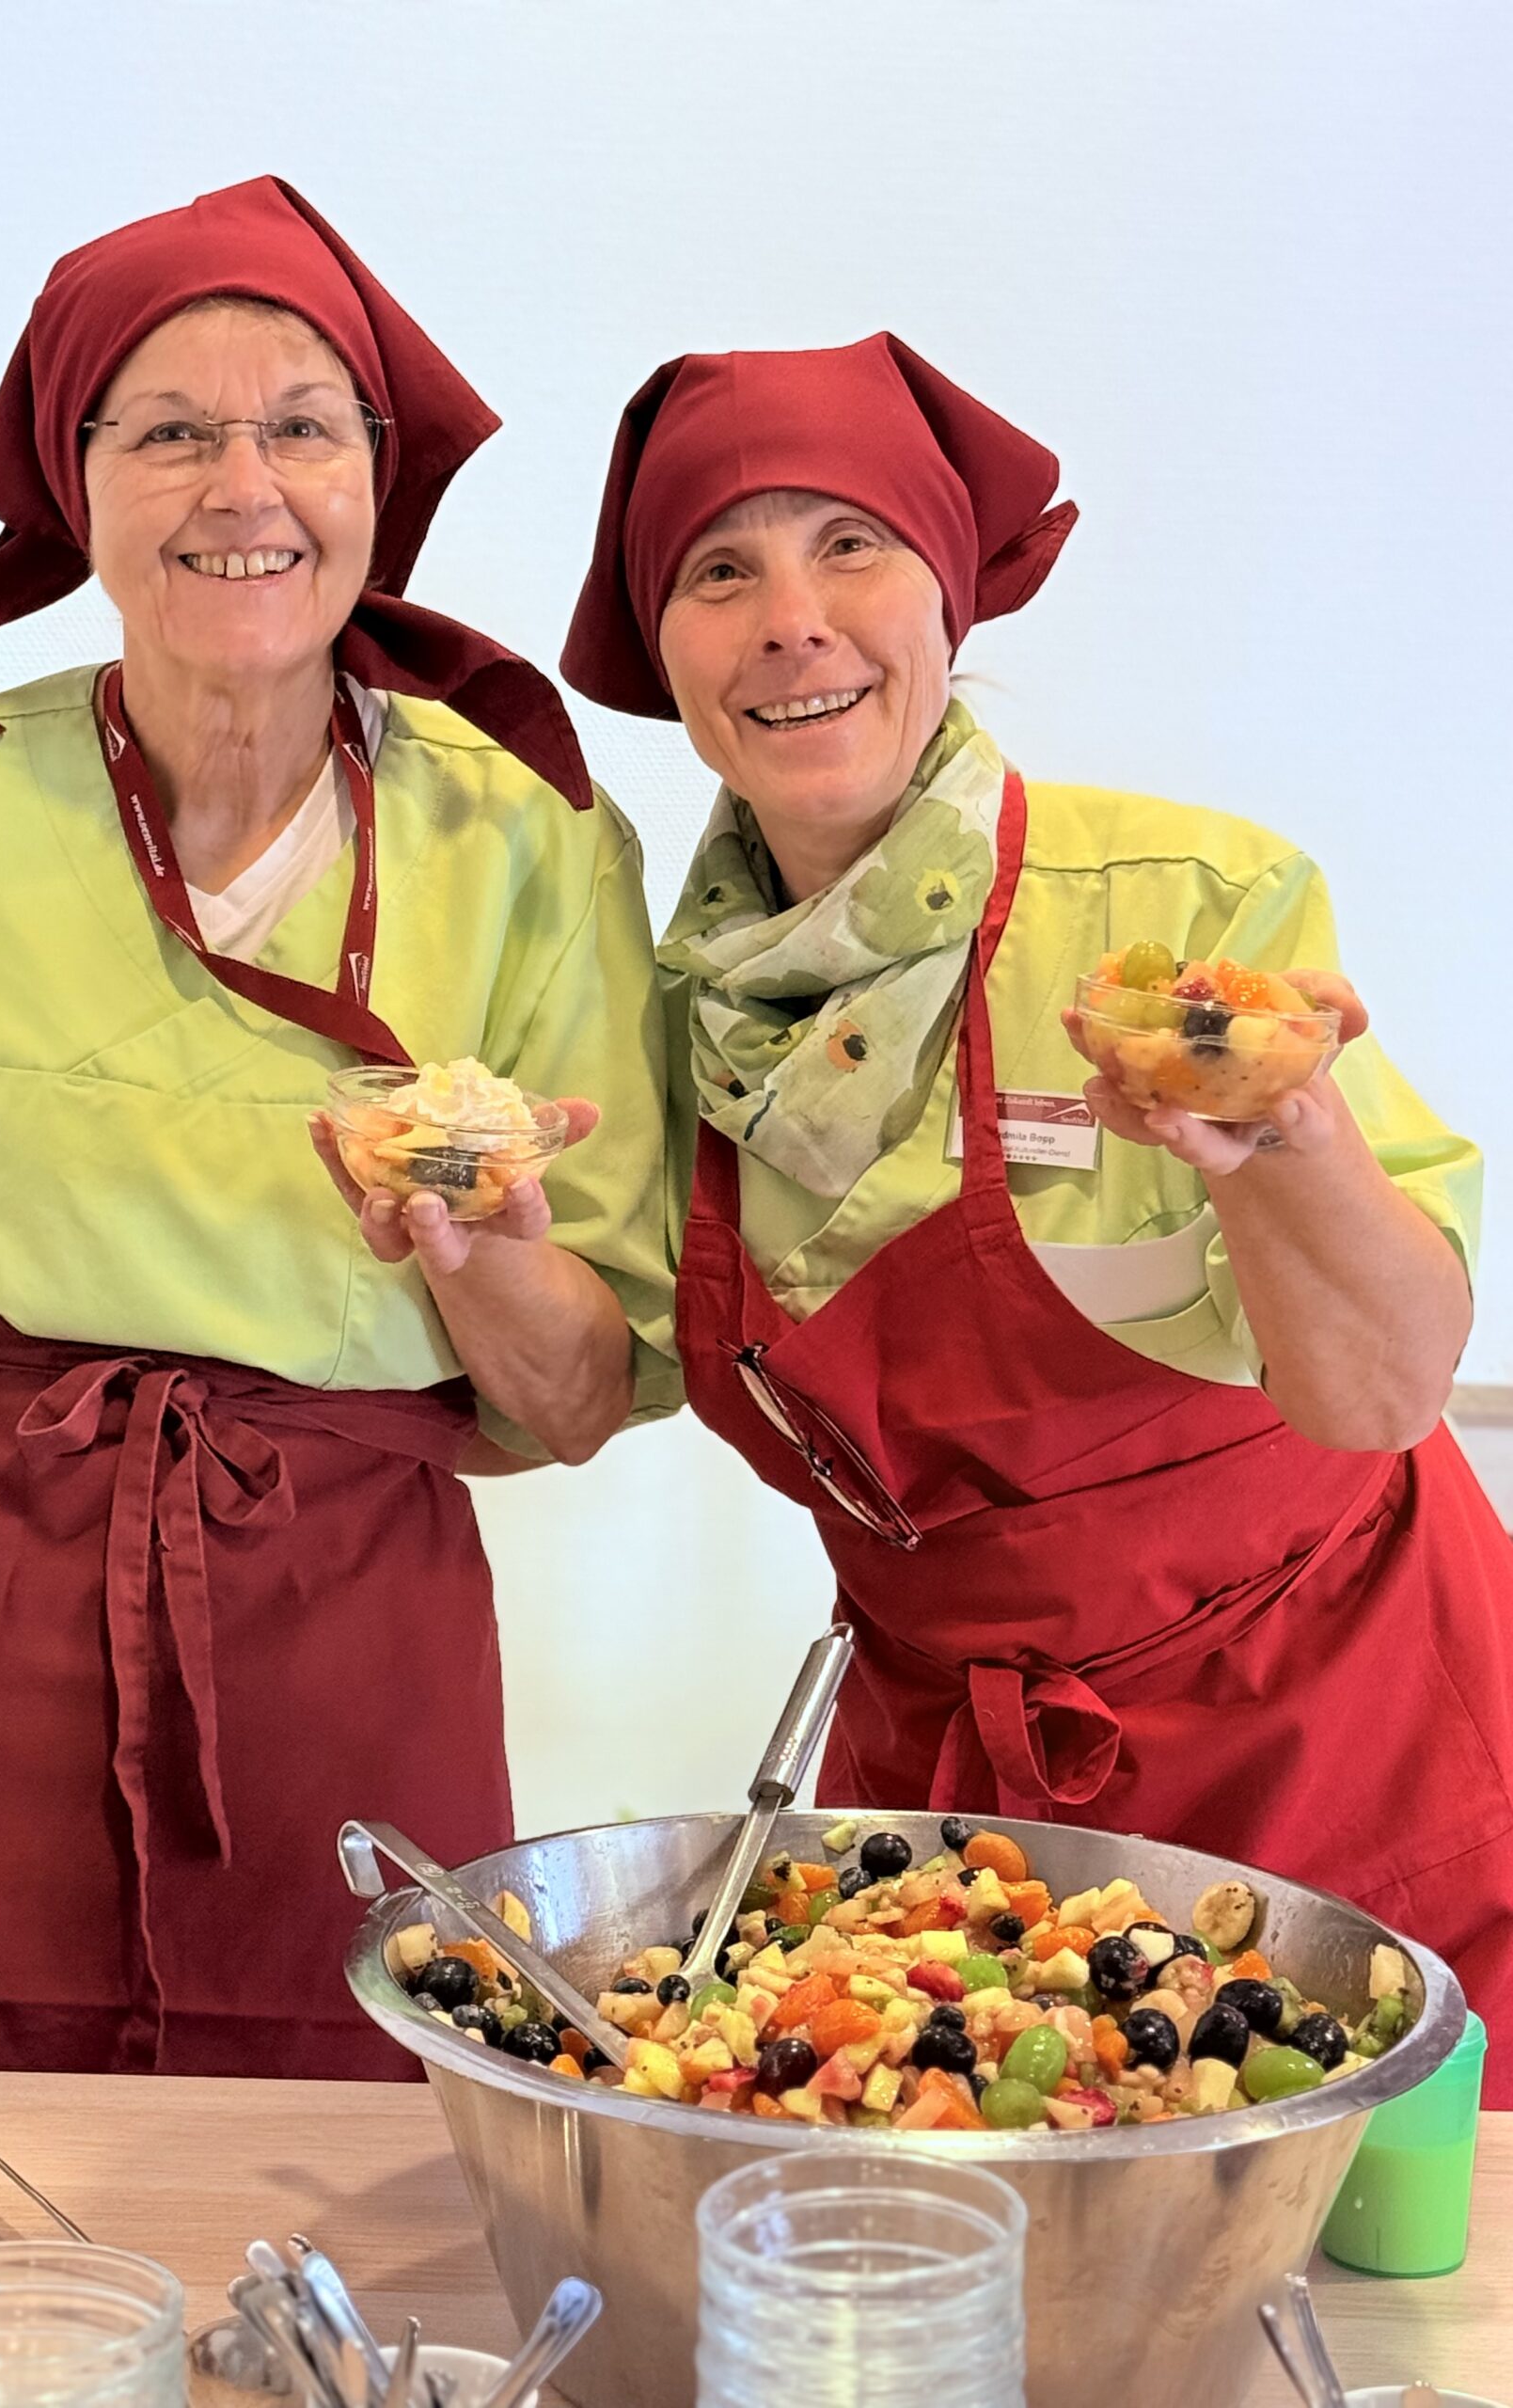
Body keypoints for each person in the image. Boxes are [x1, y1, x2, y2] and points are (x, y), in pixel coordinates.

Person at [0, 177, 675, 2079]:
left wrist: (484, 1258)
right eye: (169, 433)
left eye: (303, 428)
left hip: (351, 1641)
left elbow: (576, 1400)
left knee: (364, 2158)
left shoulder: (530, 836)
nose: (245, 486)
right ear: (76, 488)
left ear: (377, 481)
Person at [560, 333, 1513, 2096]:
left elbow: (1381, 1391)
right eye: (719, 571)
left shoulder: (1182, 911)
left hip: (1335, 1740)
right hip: (963, 1822)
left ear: (947, 591)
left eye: (851, 547)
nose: (792, 621)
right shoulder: (651, 1006)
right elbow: (571, 1389)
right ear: (664, 646)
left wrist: (1286, 1139)